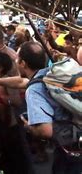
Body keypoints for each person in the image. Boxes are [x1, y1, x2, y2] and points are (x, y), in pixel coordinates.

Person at [18, 42, 82, 173]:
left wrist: (29, 126)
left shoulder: (34, 90)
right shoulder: (54, 74)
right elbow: (21, 81)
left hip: (70, 150)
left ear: (23, 63)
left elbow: (45, 131)